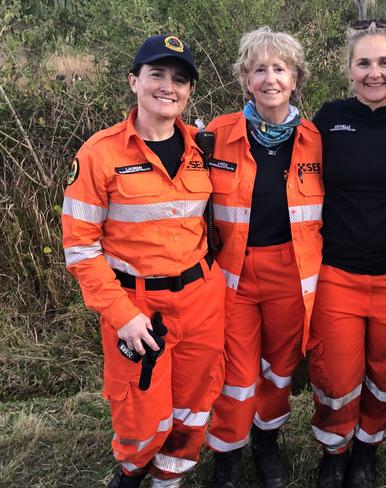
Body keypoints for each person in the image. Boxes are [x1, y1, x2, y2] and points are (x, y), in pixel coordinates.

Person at [62, 35, 226, 488]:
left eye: (179, 79)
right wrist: (122, 316)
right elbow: (79, 246)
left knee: (196, 401)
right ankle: (133, 471)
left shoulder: (204, 149)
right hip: (136, 307)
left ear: (189, 90)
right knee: (139, 409)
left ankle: (169, 478)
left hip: (201, 300)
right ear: (134, 81)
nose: (168, 87)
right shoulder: (99, 154)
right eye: (157, 75)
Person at [307, 20, 386, 488]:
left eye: (384, 62)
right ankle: (334, 447)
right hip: (337, 272)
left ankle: (367, 446)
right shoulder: (328, 118)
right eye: (364, 63)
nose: (374, 72)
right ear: (349, 69)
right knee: (334, 372)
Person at [204, 27, 323, 488]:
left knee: (279, 365)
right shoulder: (214, 135)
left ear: (295, 78)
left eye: (280, 68)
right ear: (245, 79)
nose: (270, 78)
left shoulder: (317, 140)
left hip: (292, 273)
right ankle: (227, 454)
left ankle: (266, 439)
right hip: (233, 271)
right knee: (236, 370)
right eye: (259, 69)